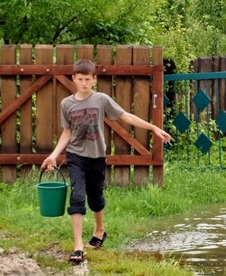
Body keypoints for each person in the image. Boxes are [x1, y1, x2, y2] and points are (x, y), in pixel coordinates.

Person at [41, 59, 172, 263]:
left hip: (97, 157)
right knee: (77, 197)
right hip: (76, 156)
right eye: (80, 79)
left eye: (88, 79)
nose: (84, 83)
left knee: (95, 198)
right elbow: (67, 132)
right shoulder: (66, 104)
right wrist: (54, 155)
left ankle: (100, 230)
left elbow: (125, 116)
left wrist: (153, 128)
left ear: (94, 79)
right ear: (74, 79)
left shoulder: (101, 99)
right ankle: (77, 247)